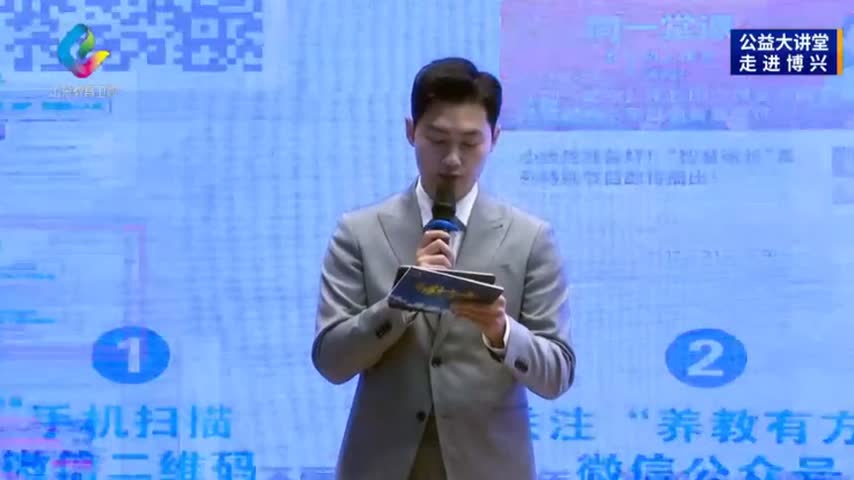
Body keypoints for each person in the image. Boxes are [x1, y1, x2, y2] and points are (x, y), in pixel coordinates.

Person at [311, 57, 576, 480]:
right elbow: (331, 362)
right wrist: (400, 302)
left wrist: (501, 332)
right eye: (437, 140)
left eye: (470, 143)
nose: (452, 159)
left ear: (495, 139)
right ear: (410, 131)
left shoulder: (530, 239)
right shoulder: (359, 232)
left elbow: (557, 374)